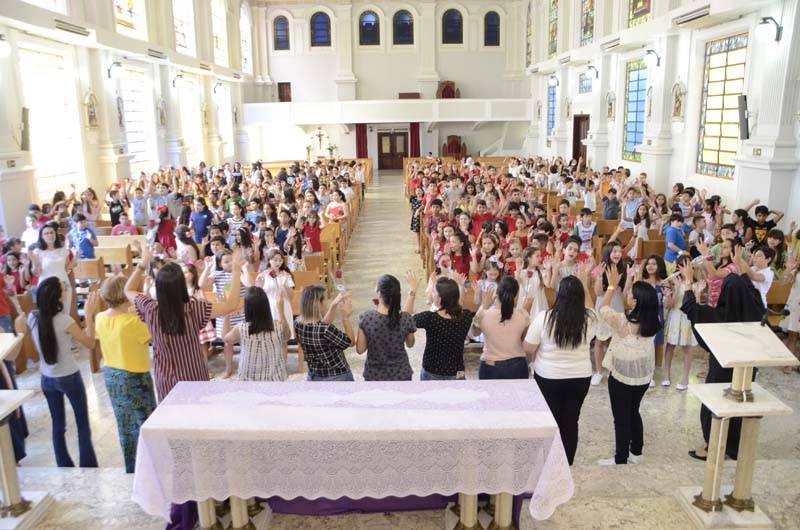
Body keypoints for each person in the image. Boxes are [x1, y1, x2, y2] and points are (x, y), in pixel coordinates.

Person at [124, 247, 244, 401]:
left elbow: (128, 290)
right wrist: (236, 271)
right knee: (197, 413)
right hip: (194, 375)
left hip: (166, 378)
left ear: (158, 287)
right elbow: (231, 304)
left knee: (171, 414)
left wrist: (142, 264)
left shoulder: (150, 309)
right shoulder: (195, 309)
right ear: (182, 285)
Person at [680, 264, 765, 461]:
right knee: (739, 407)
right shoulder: (756, 312)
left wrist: (688, 283)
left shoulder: (719, 317)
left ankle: (714, 447)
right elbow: (752, 291)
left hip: (722, 369)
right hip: (746, 370)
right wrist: (742, 272)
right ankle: (734, 448)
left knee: (715, 406)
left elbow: (692, 308)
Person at [15, 277, 98, 467]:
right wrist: (89, 316)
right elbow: (90, 343)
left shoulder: (33, 317)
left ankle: (63, 465)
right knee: (82, 423)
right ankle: (88, 465)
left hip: (47, 378)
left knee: (58, 425)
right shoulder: (65, 321)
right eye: (63, 289)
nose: (66, 291)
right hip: (69, 376)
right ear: (58, 297)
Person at [524, 265, 596, 465]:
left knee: (550, 420)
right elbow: (591, 308)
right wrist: (584, 283)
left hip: (548, 377)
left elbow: (528, 348)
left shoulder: (544, 317)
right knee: (571, 421)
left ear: (559, 295)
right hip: (579, 378)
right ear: (581, 296)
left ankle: (548, 463)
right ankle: (566, 464)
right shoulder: (589, 318)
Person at [597, 264, 661, 465]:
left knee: (621, 418)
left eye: (631, 293)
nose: (628, 295)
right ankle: (636, 452)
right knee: (634, 411)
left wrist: (611, 286)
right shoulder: (653, 320)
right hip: (643, 375)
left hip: (622, 375)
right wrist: (635, 278)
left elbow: (603, 308)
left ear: (636, 301)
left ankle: (620, 458)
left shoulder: (623, 321)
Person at [91, 276, 155, 473]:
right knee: (144, 421)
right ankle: (148, 467)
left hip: (111, 376)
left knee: (125, 424)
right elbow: (152, 336)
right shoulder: (131, 322)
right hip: (134, 376)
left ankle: (132, 467)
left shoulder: (100, 318)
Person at [407, 273, 472, 380]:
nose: (432, 294)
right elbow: (460, 304)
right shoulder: (466, 317)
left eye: (434, 292)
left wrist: (412, 291)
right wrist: (459, 286)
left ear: (440, 298)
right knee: (458, 392)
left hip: (432, 372)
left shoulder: (429, 318)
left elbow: (407, 318)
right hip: (458, 372)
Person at [356, 275, 416, 381]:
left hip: (374, 375)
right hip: (401, 374)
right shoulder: (405, 318)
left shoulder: (366, 318)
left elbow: (360, 350)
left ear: (379, 294)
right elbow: (410, 344)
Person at [471, 276, 531, 379]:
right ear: (516, 295)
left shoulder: (484, 314)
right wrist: (526, 314)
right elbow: (524, 340)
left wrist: (484, 306)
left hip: (490, 366)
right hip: (517, 366)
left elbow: (474, 333)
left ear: (497, 294)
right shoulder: (523, 315)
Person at [225, 286, 289, 382]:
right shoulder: (278, 326)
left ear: (247, 308)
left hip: (249, 381)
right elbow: (287, 336)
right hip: (275, 379)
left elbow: (226, 339)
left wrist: (226, 315)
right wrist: (281, 311)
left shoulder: (241, 329)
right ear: (266, 306)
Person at [294, 285, 356, 381]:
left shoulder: (298, 323)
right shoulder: (326, 330)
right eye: (326, 300)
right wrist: (345, 317)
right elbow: (350, 342)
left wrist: (334, 305)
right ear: (319, 304)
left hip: (314, 375)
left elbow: (321, 324)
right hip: (337, 376)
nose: (327, 303)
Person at [662, 254, 698, 390]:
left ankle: (685, 378)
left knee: (687, 348)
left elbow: (695, 304)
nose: (685, 268)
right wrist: (676, 288)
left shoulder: (695, 283)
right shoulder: (671, 282)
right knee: (670, 346)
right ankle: (666, 374)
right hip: (675, 316)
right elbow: (670, 304)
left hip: (687, 318)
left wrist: (696, 290)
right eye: (682, 265)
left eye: (688, 265)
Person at [30, 222, 74, 314]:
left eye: (52, 232)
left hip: (63, 283)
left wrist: (75, 259)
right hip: (47, 286)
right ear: (42, 236)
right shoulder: (38, 251)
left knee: (65, 312)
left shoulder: (63, 250)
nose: (50, 235)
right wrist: (34, 262)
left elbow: (66, 268)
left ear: (55, 234)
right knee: (49, 313)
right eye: (46, 233)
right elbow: (36, 273)